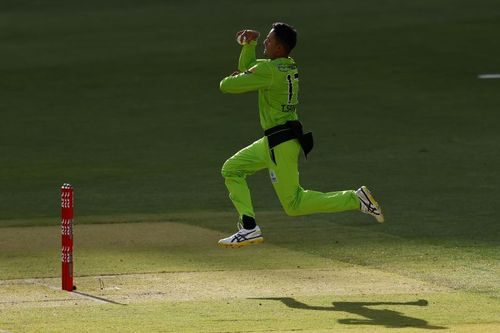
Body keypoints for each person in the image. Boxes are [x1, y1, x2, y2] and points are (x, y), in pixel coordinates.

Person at [218, 22, 384, 248]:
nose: (266, 42)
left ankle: (356, 199)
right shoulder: (286, 66)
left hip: (280, 143)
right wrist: (250, 44)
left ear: (279, 47)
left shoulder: (268, 71)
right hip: (276, 140)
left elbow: (226, 86)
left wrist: (237, 76)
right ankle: (248, 227)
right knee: (232, 168)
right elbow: (250, 68)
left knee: (294, 204)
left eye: (269, 40)